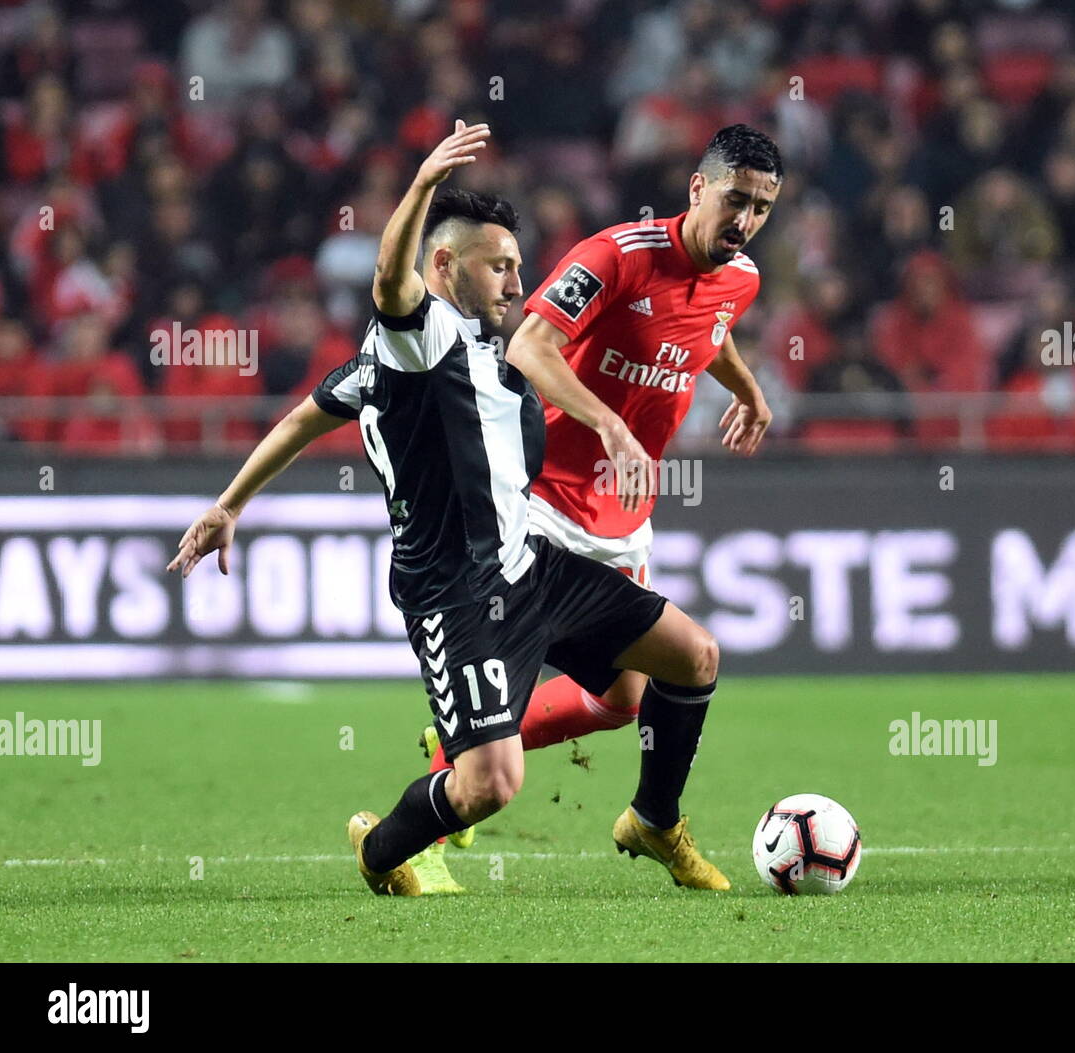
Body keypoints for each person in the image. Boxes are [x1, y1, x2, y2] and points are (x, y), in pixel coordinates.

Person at [167, 121, 730, 896]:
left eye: (517, 266)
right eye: (498, 266)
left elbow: (304, 415)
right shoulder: (417, 335)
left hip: (534, 565)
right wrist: (423, 183)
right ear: (443, 264)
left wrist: (230, 503)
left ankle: (656, 819)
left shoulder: (450, 351)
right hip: (457, 591)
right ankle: (380, 851)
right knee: (489, 787)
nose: (513, 281)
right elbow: (390, 283)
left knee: (692, 656)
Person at [417, 124, 782, 878]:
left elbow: (705, 329)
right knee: (531, 714)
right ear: (696, 189)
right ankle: (424, 815)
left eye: (762, 208)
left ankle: (641, 817)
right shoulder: (616, 255)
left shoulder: (740, 278)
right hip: (541, 502)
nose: (745, 222)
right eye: (735, 200)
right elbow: (529, 346)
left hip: (621, 520)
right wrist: (609, 423)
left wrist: (747, 385)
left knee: (622, 699)